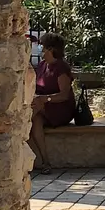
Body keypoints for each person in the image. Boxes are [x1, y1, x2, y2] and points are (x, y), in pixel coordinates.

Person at [29, 34, 78, 170]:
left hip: (60, 108)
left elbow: (64, 95)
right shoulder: (42, 65)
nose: (39, 48)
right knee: (36, 121)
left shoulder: (61, 67)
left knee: (37, 105)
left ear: (50, 49)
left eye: (42, 46)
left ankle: (15, 135)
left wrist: (45, 98)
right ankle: (46, 162)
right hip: (43, 107)